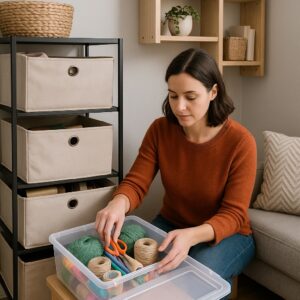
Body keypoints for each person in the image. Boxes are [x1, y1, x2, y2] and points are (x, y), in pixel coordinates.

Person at [95, 48, 257, 286]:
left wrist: (191, 236)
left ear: (213, 92)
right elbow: (137, 182)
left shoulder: (241, 142)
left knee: (194, 279)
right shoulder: (160, 130)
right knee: (129, 265)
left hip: (229, 235)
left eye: (190, 97)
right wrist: (118, 203)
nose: (179, 106)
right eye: (173, 96)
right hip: (172, 224)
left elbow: (234, 215)